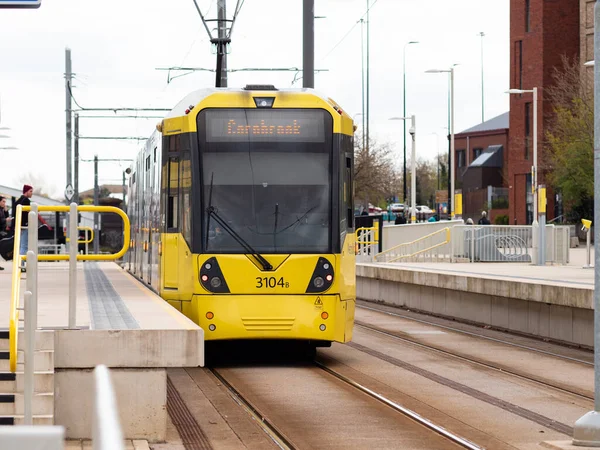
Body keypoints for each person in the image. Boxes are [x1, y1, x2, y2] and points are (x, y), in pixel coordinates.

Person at [13, 185, 33, 272]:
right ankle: (21, 265)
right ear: (26, 191)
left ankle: (19, 264)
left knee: (21, 246)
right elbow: (27, 214)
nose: (32, 193)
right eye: (31, 191)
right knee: (24, 246)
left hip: (18, 226)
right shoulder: (26, 201)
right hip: (24, 226)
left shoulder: (18, 201)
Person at [0, 197, 11, 270]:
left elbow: (4, 218)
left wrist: (6, 211)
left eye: (5, 202)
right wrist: (5, 220)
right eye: (3, 201)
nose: (4, 203)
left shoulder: (1, 210)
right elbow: (1, 220)